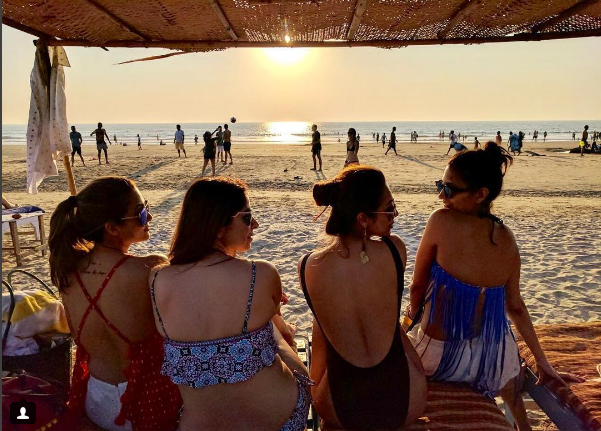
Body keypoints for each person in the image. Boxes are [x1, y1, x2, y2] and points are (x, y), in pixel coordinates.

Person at [406, 143, 573, 431]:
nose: (440, 195)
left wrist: (410, 317)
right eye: (439, 185)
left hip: (439, 358)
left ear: (480, 194)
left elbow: (416, 286)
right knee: (509, 361)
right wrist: (542, 362)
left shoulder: (441, 221)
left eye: (448, 189)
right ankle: (522, 424)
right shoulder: (507, 238)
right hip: (489, 363)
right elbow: (515, 307)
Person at [150, 177, 311, 431]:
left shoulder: (158, 278)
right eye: (247, 217)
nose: (255, 224)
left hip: (200, 425)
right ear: (218, 226)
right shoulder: (261, 273)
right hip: (279, 420)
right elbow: (286, 336)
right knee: (276, 332)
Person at [48, 178, 182, 431]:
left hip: (96, 401)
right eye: (141, 213)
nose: (150, 217)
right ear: (112, 228)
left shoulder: (68, 272)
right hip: (147, 404)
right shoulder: (149, 269)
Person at [300, 166, 427, 430]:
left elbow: (322, 345)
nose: (395, 215)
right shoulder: (395, 250)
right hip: (406, 402)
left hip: (339, 409)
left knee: (322, 323)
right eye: (389, 208)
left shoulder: (308, 265)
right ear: (363, 218)